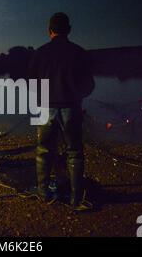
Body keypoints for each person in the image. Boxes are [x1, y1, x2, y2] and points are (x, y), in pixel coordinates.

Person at [29, 12, 95, 210]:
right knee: (74, 152)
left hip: (45, 108)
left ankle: (43, 193)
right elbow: (89, 85)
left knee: (43, 151)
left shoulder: (39, 53)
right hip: (71, 108)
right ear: (69, 30)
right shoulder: (79, 52)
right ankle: (75, 198)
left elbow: (31, 84)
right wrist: (76, 95)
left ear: (49, 31)